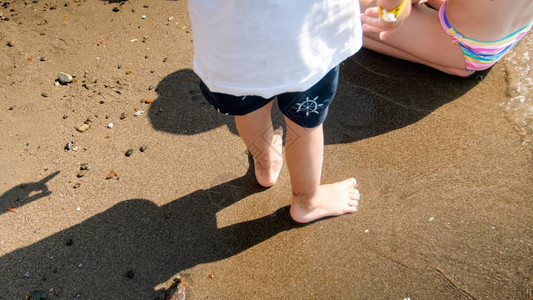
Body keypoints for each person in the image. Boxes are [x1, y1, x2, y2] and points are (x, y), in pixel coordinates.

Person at [188, 0, 362, 223]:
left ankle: (266, 166)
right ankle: (307, 202)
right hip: (306, 48)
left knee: (249, 110)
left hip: (231, 52)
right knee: (304, 125)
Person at [359, 0, 533, 77]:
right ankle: (453, 62)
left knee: (343, 7)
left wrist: (393, 14)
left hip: (461, 44)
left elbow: (397, 5)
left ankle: (452, 60)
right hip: (508, 34)